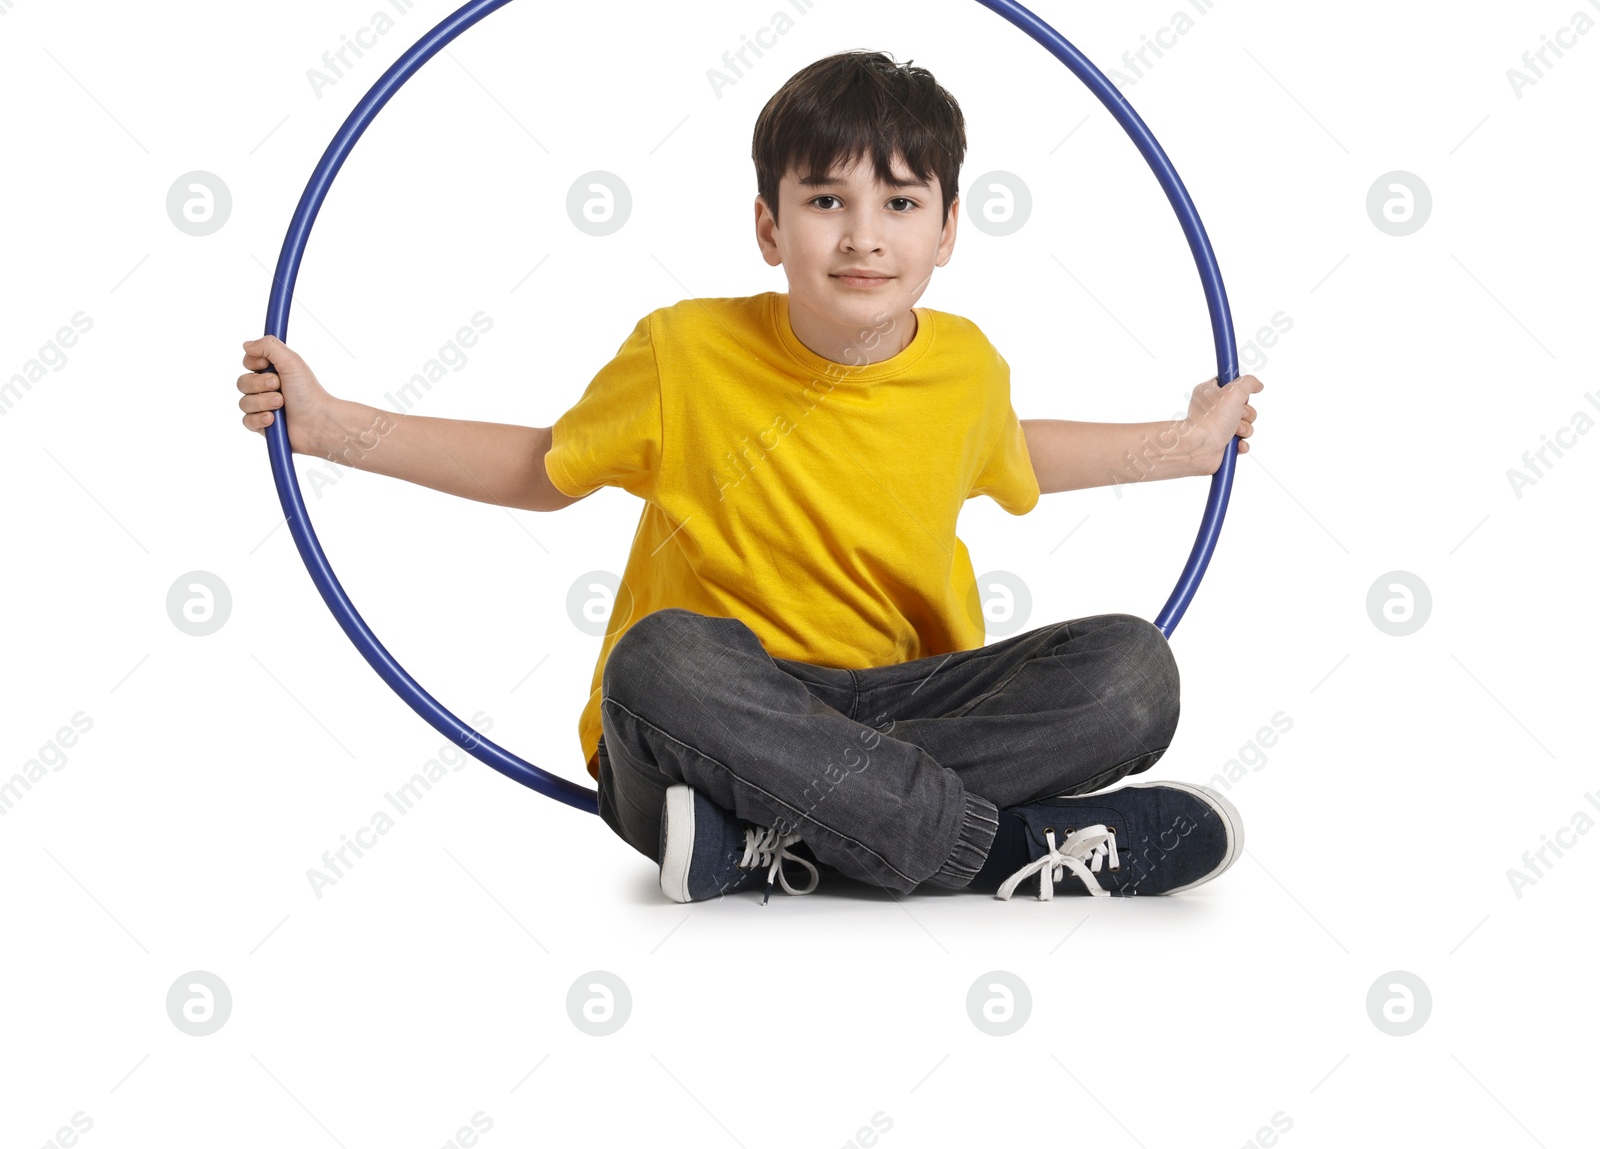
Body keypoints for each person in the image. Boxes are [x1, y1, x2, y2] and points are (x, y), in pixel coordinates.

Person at [237, 49, 1263, 906]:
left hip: (898, 703)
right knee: (659, 661)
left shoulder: (966, 366)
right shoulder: (685, 351)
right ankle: (1003, 851)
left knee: (1132, 672)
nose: (863, 233)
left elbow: (1010, 447)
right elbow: (541, 467)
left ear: (946, 228)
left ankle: (793, 835)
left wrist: (1182, 446)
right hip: (712, 720)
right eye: (826, 199)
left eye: (900, 201)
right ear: (769, 225)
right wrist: (332, 428)